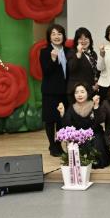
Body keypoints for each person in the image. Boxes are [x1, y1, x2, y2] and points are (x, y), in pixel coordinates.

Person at [57, 83, 109, 168]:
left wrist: (96, 106)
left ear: (87, 93)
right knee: (81, 144)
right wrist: (62, 113)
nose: (79, 95)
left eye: (82, 92)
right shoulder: (71, 108)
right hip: (79, 136)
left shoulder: (93, 104)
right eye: (76, 92)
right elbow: (68, 126)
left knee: (97, 141)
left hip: (95, 133)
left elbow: (99, 121)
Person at [40, 24, 70, 157]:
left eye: (59, 33)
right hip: (50, 92)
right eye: (53, 34)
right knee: (50, 119)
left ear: (63, 36)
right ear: (49, 37)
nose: (57, 36)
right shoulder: (45, 52)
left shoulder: (69, 51)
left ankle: (58, 144)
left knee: (61, 120)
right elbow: (46, 72)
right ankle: (52, 145)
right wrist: (52, 59)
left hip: (65, 91)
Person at [66, 27, 99, 99]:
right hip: (76, 92)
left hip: (90, 91)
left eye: (86, 38)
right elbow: (71, 68)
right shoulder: (72, 52)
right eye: (80, 39)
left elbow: (94, 71)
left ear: (90, 40)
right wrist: (79, 53)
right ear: (76, 41)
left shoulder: (93, 53)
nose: (83, 41)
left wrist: (96, 83)